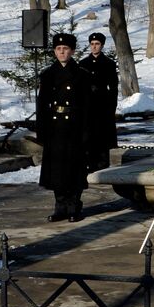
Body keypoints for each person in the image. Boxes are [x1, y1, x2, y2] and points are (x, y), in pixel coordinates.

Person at [36, 33, 91, 222]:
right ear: (54, 51)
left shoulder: (82, 75)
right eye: (58, 49)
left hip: (74, 127)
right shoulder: (48, 74)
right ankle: (60, 206)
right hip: (55, 127)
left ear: (72, 51)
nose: (62, 52)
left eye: (66, 49)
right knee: (57, 169)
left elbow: (87, 106)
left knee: (74, 169)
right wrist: (42, 130)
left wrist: (85, 131)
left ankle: (74, 205)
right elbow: (42, 104)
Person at [78, 31, 119, 172]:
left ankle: (103, 165)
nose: (94, 47)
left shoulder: (109, 63)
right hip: (87, 105)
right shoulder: (83, 64)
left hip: (103, 105)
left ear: (102, 45)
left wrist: (111, 107)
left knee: (102, 137)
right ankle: (89, 164)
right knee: (88, 136)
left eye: (97, 44)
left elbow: (113, 88)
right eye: (92, 44)